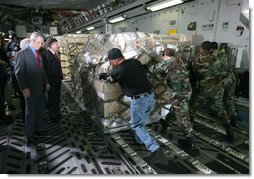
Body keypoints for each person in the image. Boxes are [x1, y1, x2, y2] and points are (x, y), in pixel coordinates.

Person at [99, 48, 168, 167]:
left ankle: (155, 149)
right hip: (150, 96)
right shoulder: (135, 62)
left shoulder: (118, 71)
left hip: (140, 100)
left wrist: (103, 76)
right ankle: (139, 139)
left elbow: (111, 80)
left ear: (115, 61)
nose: (110, 63)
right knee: (141, 121)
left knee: (135, 125)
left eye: (110, 61)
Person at [190, 41, 235, 142]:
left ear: (201, 48)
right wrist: (220, 82)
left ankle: (189, 132)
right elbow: (226, 72)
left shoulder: (195, 58)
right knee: (221, 110)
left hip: (201, 89)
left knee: (192, 109)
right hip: (216, 90)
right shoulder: (217, 59)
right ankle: (230, 133)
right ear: (210, 49)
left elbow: (191, 75)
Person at [149, 48, 194, 149]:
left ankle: (189, 141)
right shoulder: (180, 61)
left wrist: (151, 60)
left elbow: (153, 69)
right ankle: (165, 123)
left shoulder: (169, 62)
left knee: (183, 117)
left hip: (179, 94)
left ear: (164, 55)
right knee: (175, 110)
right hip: (187, 91)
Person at [15, 32, 50, 144]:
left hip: (40, 87)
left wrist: (46, 82)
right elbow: (19, 73)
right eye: (39, 42)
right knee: (30, 112)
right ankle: (29, 134)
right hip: (29, 88)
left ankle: (38, 129)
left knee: (40, 109)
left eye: (42, 43)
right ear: (32, 41)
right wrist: (24, 88)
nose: (41, 45)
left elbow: (42, 70)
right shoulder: (22, 54)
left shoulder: (38, 53)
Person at [210, 42, 239, 128]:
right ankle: (234, 121)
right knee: (229, 100)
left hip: (223, 80)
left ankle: (226, 122)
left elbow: (216, 70)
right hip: (231, 80)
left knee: (218, 101)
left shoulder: (214, 56)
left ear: (211, 49)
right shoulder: (223, 54)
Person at [43, 38, 63, 122]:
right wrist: (49, 82)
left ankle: (57, 113)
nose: (58, 45)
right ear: (51, 45)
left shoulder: (55, 54)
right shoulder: (47, 55)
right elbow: (47, 70)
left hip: (57, 80)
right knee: (52, 99)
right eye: (56, 44)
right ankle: (53, 116)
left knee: (57, 98)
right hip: (52, 81)